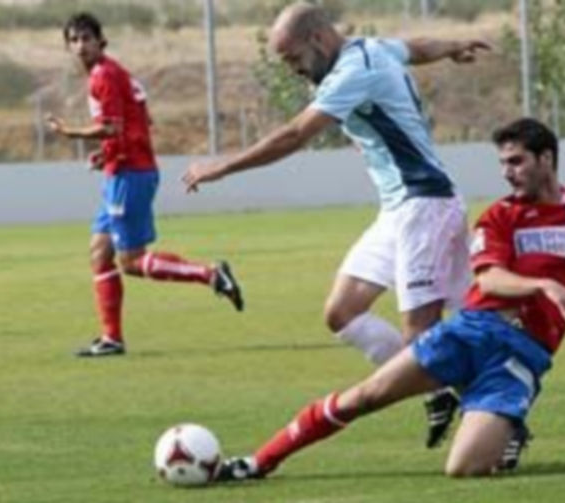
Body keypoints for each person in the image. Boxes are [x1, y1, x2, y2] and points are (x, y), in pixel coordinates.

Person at [212, 117, 565, 481]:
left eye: (517, 161)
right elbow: (490, 279)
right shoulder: (500, 216)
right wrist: (543, 285)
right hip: (472, 330)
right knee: (365, 397)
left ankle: (504, 426)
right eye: (503, 163)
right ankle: (259, 461)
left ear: (547, 160)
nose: (508, 172)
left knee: (463, 469)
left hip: (523, 356)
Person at [182, 2, 490, 447]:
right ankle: (437, 391)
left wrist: (222, 166)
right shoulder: (372, 48)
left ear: (319, 39)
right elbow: (415, 48)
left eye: (292, 59)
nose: (291, 69)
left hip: (425, 204)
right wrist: (452, 46)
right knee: (342, 312)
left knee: (422, 334)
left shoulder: (353, 71)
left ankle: (502, 419)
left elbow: (295, 135)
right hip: (398, 208)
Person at [47, 12, 244, 358]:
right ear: (68, 46)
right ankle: (112, 338)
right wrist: (105, 154)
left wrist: (70, 133)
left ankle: (211, 274)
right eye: (74, 40)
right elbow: (139, 120)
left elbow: (112, 126)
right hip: (121, 169)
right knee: (99, 255)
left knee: (132, 262)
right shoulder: (110, 72)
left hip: (130, 174)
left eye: (86, 39)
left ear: (100, 41)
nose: (80, 46)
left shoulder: (104, 75)